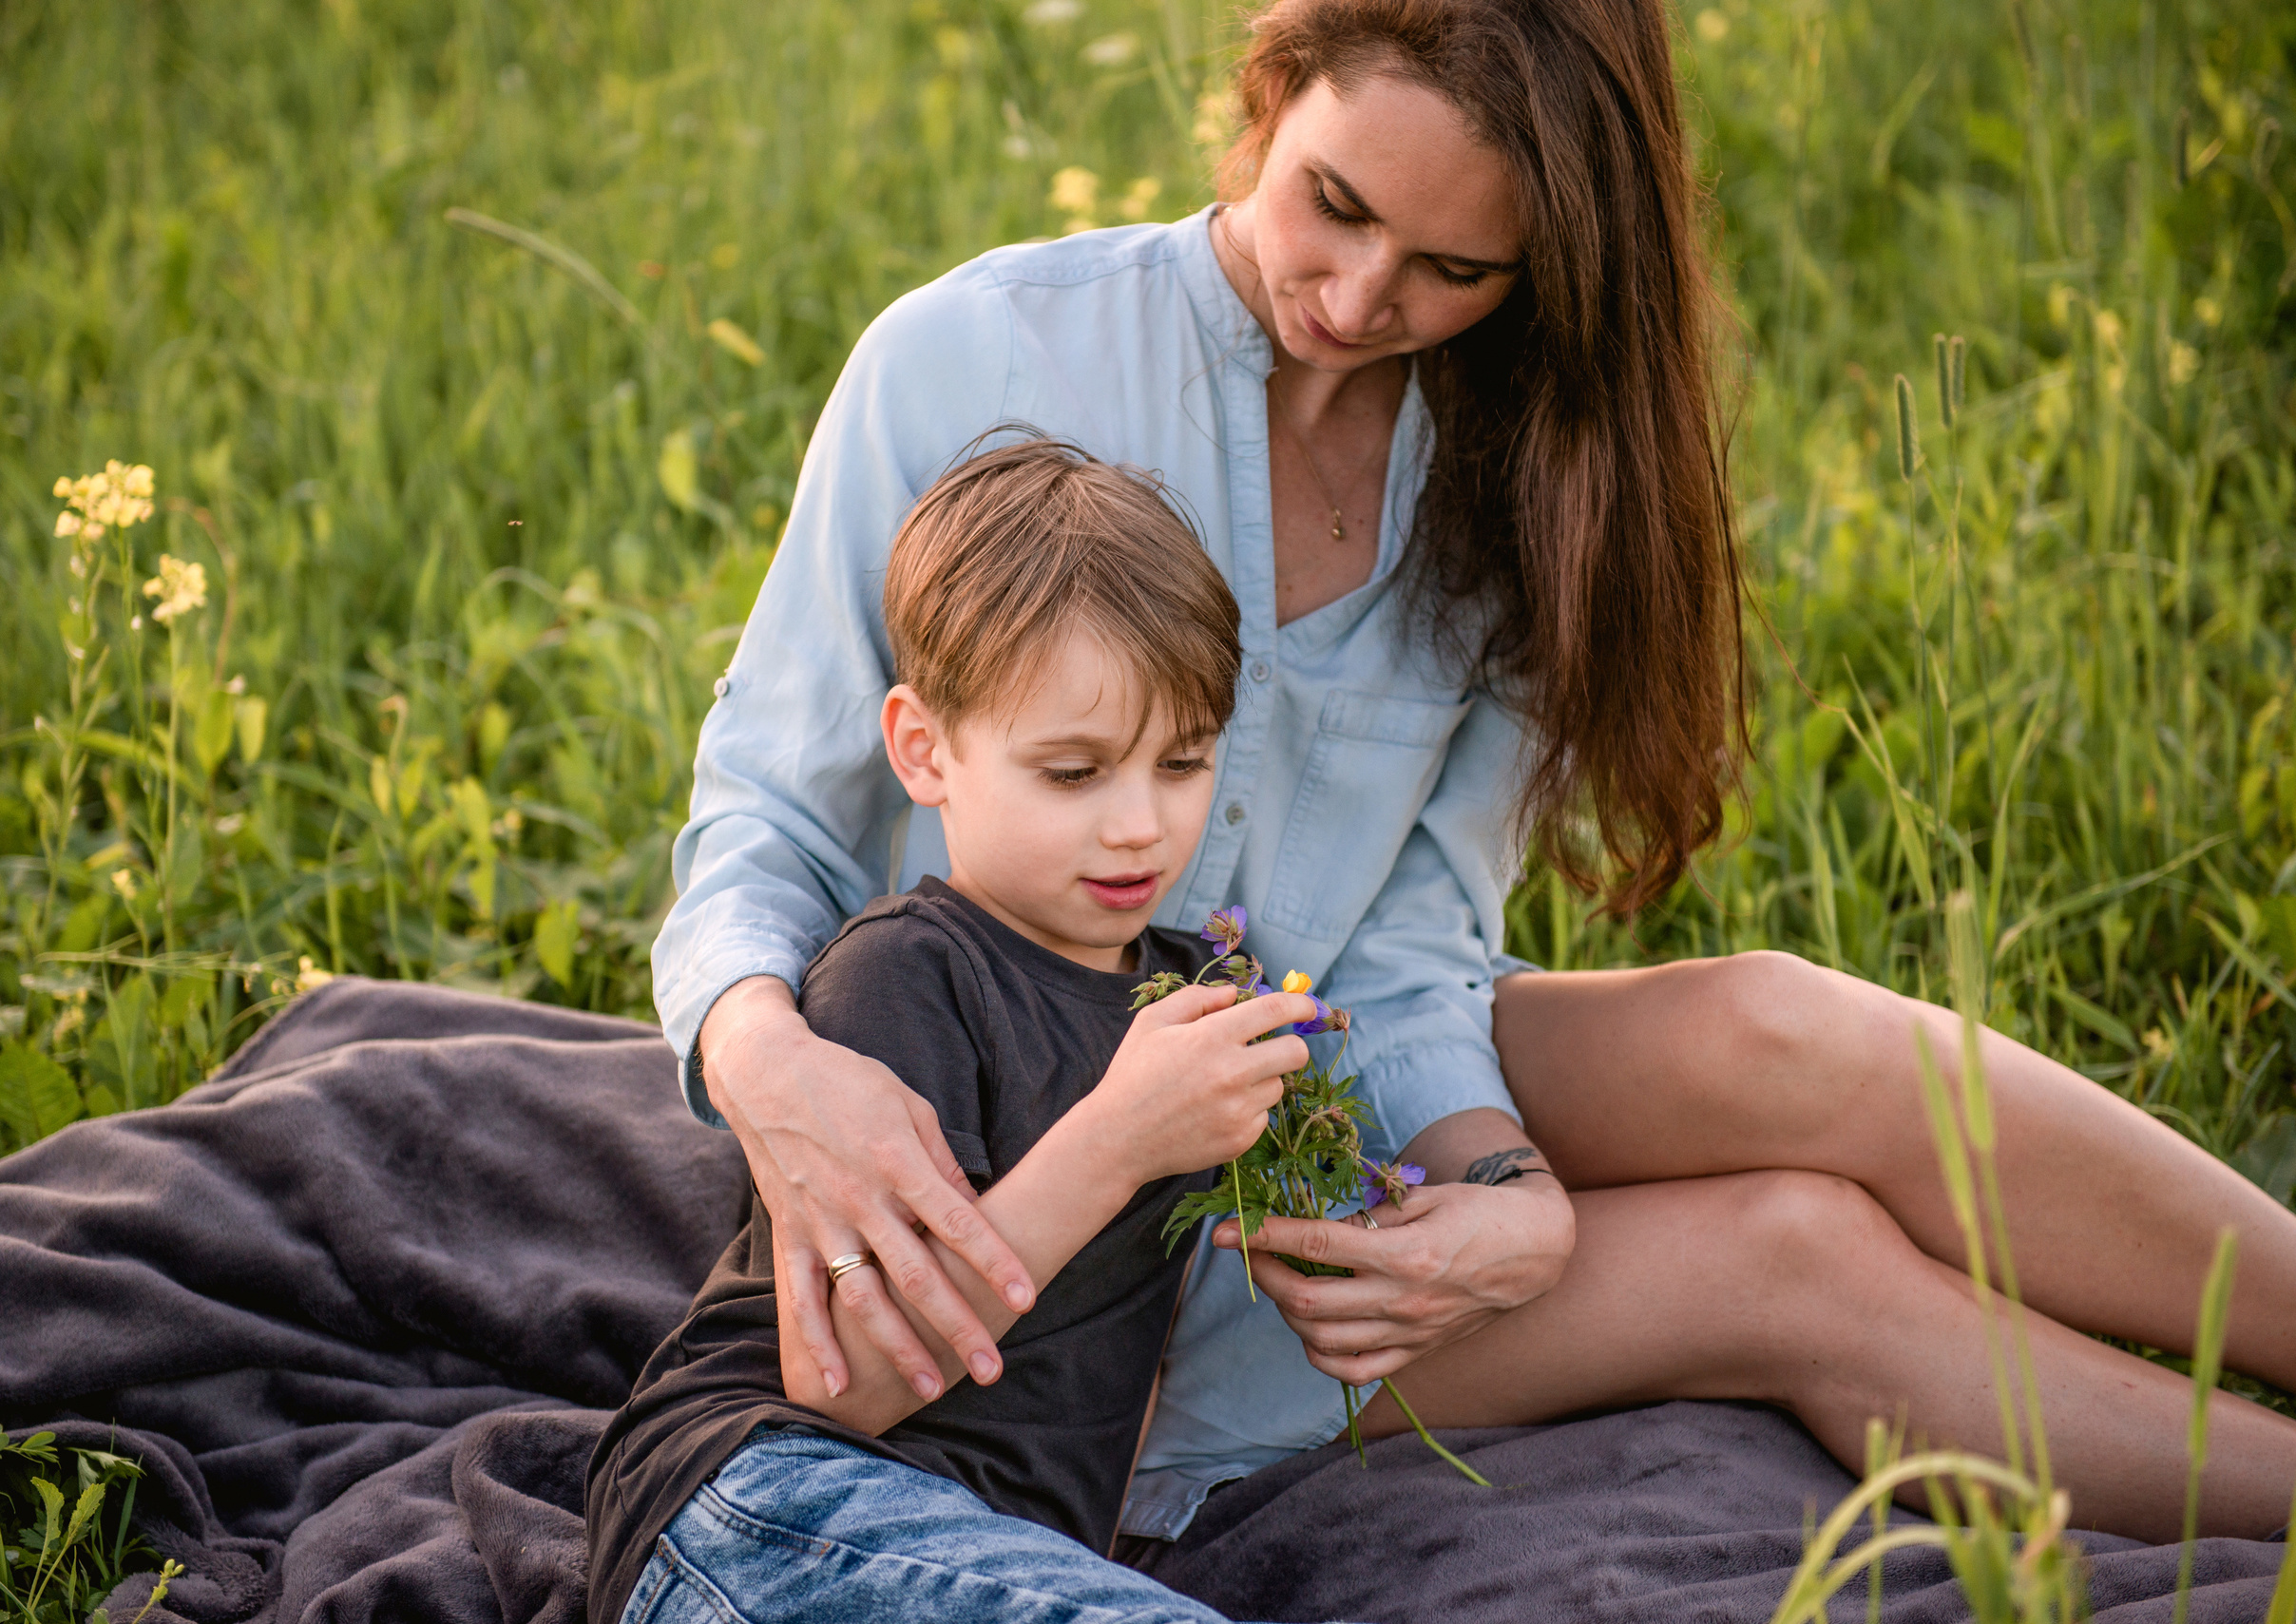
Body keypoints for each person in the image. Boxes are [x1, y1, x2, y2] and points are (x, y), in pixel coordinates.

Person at [657, 0, 2296, 1546]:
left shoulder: (1524, 470)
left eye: (1455, 268)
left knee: (1782, 1025)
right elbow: (770, 812)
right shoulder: (975, 357)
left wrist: (1507, 1195)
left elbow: (1407, 949)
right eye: (1335, 205)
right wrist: (765, 1055)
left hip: (1314, 1109)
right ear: (1273, 89)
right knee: (1799, 1253)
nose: (1361, 297)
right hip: (1079, 1216)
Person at [588, 438, 1332, 1624]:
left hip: (1000, 1550)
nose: (1139, 824)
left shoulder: (1186, 991)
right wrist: (1119, 1138)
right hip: (765, 1491)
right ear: (924, 750)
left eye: (1183, 760)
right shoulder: (906, 972)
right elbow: (844, 1380)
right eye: (1074, 771)